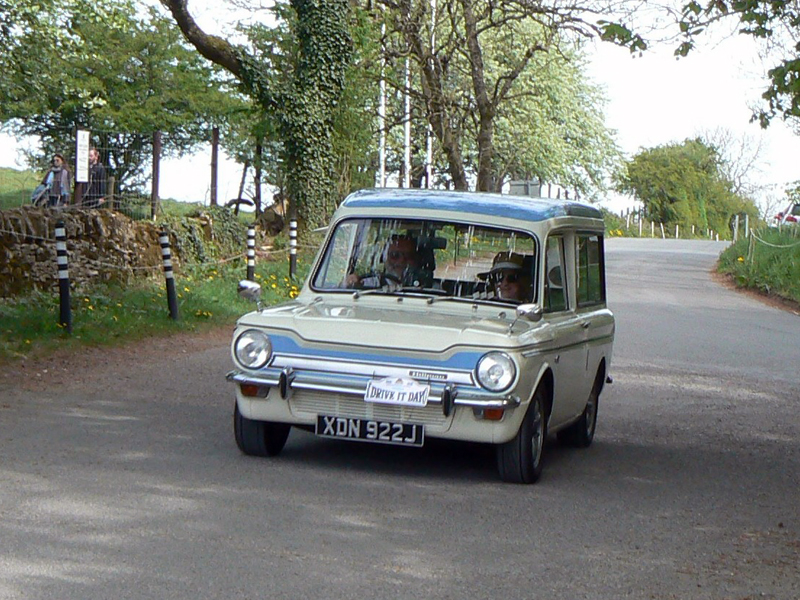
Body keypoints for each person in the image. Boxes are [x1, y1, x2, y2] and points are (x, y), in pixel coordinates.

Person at [346, 234, 431, 289]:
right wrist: (351, 282)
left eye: (409, 256)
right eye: (395, 255)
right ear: (384, 258)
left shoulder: (429, 288)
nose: (401, 261)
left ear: (416, 259)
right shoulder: (370, 283)